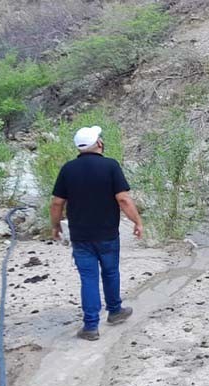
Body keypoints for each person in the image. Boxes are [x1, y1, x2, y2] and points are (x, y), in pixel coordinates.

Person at [50, 126, 143, 341]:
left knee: (88, 278)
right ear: (99, 143)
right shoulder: (110, 166)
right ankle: (115, 311)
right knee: (110, 272)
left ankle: (91, 326)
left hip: (81, 235)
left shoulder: (68, 169)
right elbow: (123, 199)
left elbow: (57, 203)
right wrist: (137, 221)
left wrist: (55, 226)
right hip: (108, 233)